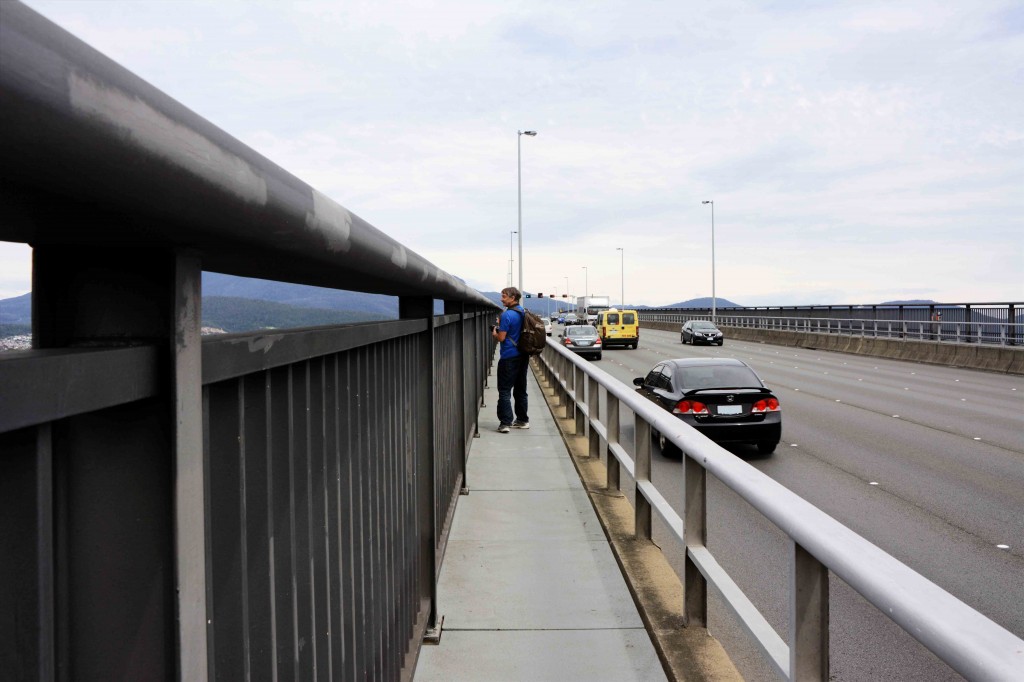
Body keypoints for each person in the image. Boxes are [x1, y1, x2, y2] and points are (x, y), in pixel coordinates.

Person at [491, 286, 529, 433]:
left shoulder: (507, 315)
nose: (502, 299)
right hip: (523, 355)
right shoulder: (523, 312)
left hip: (509, 357)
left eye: (504, 296)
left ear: (512, 298)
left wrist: (495, 332)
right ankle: (522, 420)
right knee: (521, 390)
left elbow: (501, 337)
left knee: (505, 390)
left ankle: (505, 423)